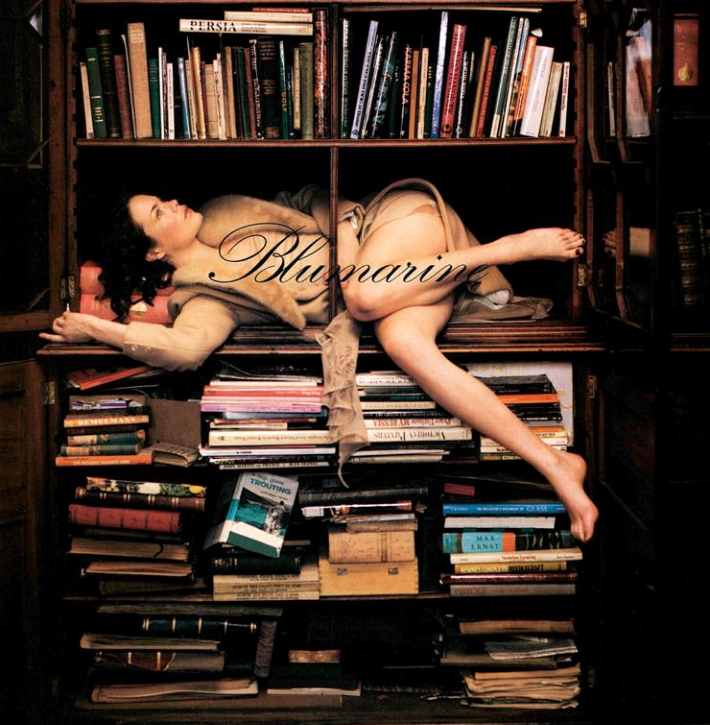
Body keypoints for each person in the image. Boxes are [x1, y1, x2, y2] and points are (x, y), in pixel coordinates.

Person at [41, 179, 598, 542]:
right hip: (404, 286)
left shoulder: (223, 212)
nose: (174, 204)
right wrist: (96, 327)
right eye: (158, 212)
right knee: (405, 345)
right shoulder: (202, 295)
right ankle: (556, 465)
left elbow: (314, 196)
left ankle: (507, 248)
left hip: (391, 221)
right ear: (153, 250)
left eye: (164, 197)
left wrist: (349, 247)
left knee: (362, 295)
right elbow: (184, 352)